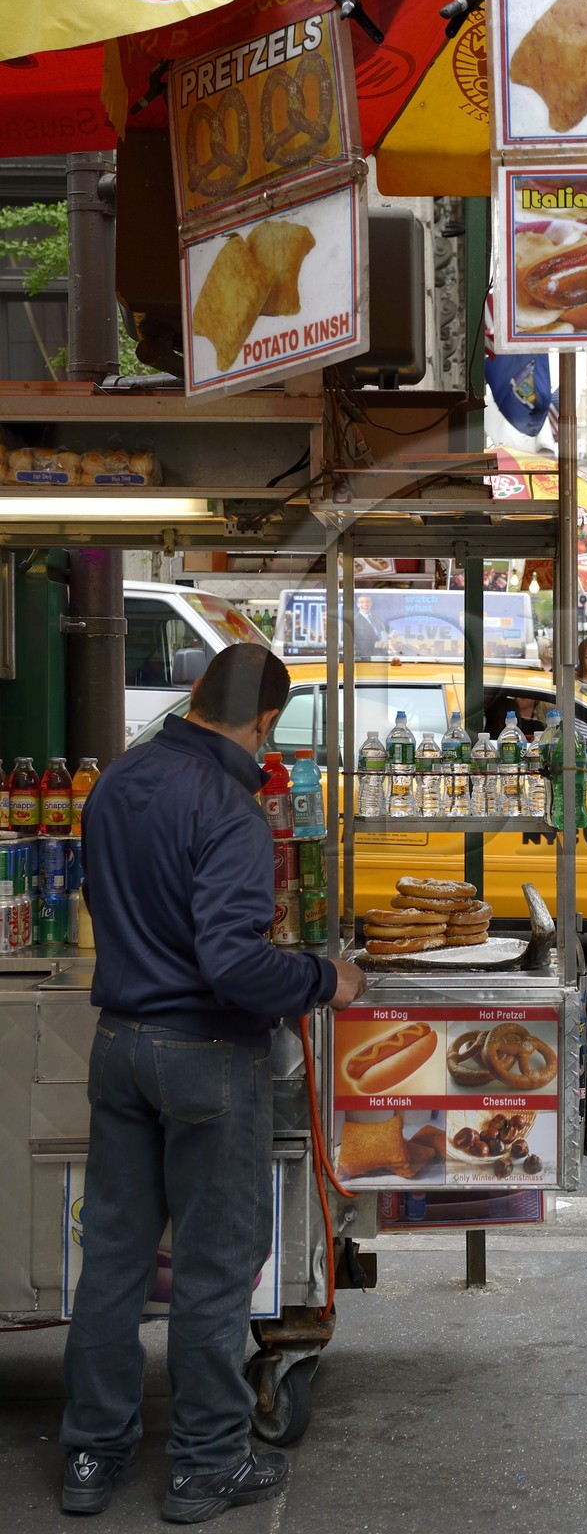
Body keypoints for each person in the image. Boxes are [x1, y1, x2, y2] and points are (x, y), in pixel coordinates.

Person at [60, 646, 367, 1522]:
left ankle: (92, 1453)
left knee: (113, 1261)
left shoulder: (116, 784)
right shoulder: (230, 809)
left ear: (195, 698)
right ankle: (205, 1463)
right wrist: (322, 978)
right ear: (264, 721)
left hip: (118, 1045)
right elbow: (233, 964)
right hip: (203, 1054)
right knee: (211, 1266)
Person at [351, 593, 380, 660]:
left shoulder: (375, 618)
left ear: (371, 603)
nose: (365, 604)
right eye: (362, 602)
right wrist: (376, 644)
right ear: (358, 605)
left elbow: (385, 628)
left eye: (367, 601)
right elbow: (358, 643)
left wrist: (392, 631)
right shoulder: (355, 622)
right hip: (366, 659)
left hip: (379, 656)